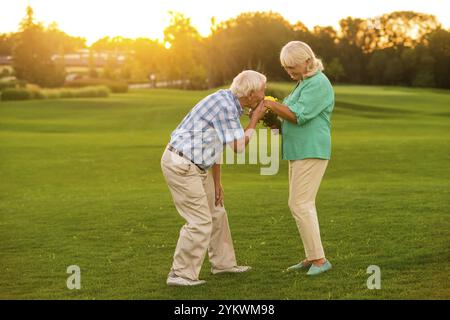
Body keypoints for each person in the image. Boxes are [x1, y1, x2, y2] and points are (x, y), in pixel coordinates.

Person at [161, 70, 267, 286]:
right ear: (251, 93)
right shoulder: (226, 107)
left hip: (197, 165)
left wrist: (217, 183)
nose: (264, 95)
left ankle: (224, 264)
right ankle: (180, 274)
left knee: (217, 211)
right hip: (182, 165)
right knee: (200, 221)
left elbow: (216, 145)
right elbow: (238, 147)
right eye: (262, 91)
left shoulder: (227, 102)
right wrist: (255, 119)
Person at [262, 41, 334, 276]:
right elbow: (287, 121)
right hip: (298, 150)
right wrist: (272, 120)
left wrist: (270, 104)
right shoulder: (303, 83)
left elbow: (298, 116)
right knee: (299, 204)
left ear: (307, 61)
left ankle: (320, 260)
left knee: (300, 203)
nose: (290, 72)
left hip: (312, 149)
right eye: (286, 68)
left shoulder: (319, 84)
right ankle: (312, 257)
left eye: (292, 67)